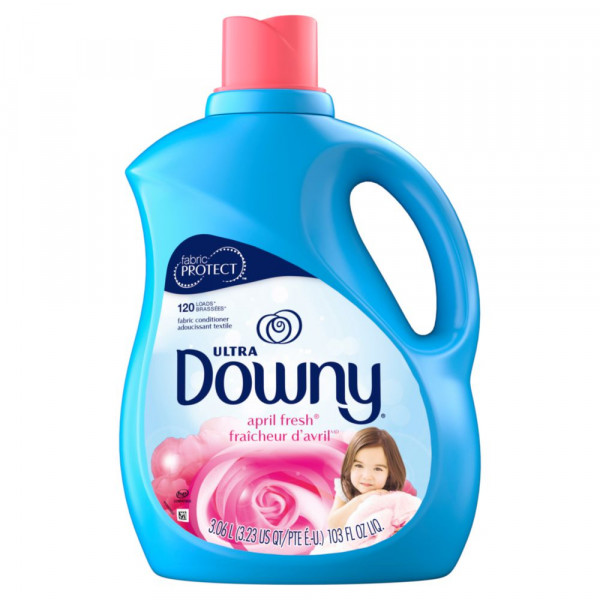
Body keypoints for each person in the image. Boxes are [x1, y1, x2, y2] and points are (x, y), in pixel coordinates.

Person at [328, 427, 407, 530]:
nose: (367, 476)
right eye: (359, 466)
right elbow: (333, 524)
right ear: (349, 465)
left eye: (378, 469)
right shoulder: (346, 487)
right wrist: (360, 500)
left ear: (390, 473)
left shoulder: (392, 497)